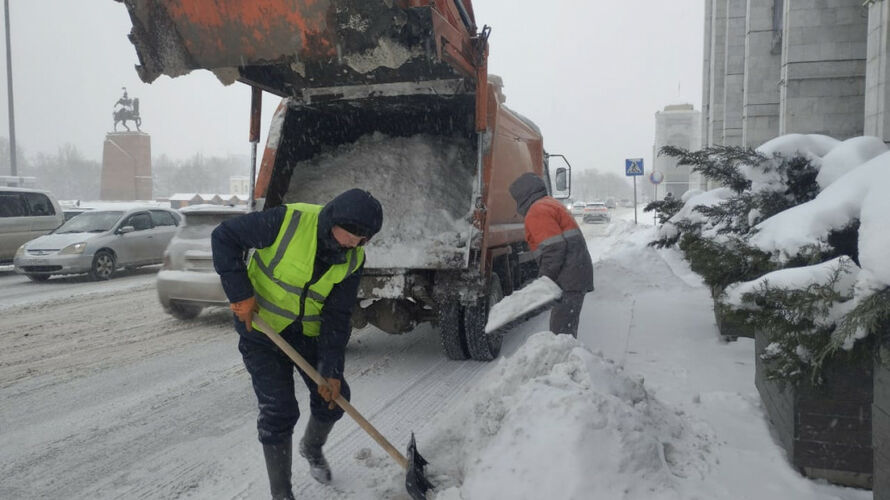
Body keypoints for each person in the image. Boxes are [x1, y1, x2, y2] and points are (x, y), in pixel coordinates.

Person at [212, 189, 383, 500]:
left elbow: (337, 315)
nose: (352, 242)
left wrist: (331, 368)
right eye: (350, 233)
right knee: (279, 410)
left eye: (362, 238)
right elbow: (224, 237)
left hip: (308, 334)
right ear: (333, 218)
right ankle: (282, 494)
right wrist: (240, 293)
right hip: (262, 330)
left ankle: (312, 448)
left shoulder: (353, 259)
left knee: (334, 398)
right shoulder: (288, 221)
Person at [508, 172, 594, 338]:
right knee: (565, 330)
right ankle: (565, 361)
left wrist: (544, 280)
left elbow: (554, 249)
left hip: (569, 278)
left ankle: (564, 362)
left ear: (523, 195)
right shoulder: (550, 204)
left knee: (560, 333)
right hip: (574, 275)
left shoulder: (537, 211)